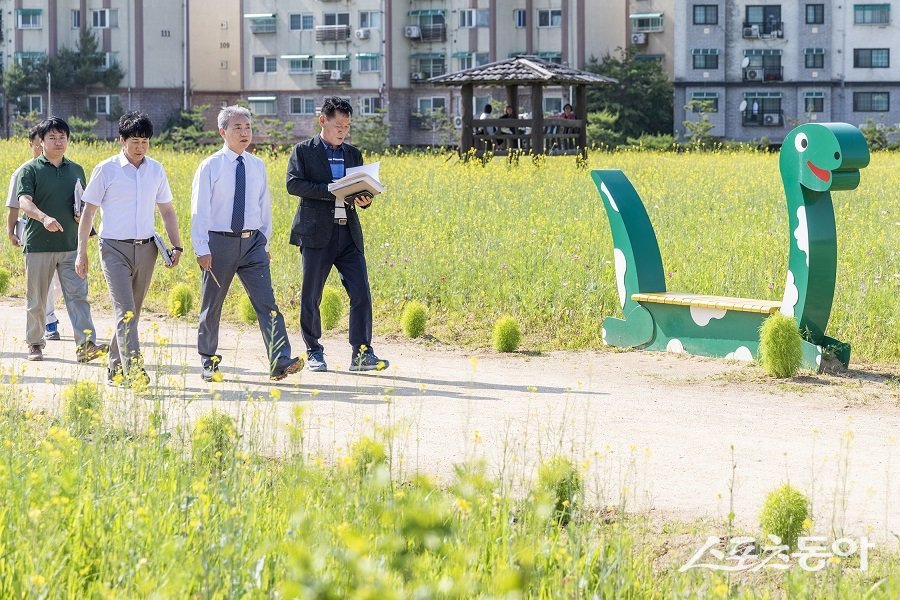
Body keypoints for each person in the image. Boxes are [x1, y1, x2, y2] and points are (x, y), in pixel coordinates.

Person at [190, 105, 302, 382]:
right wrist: (201, 248)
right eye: (237, 128)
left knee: (267, 303)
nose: (244, 133)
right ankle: (208, 359)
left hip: (253, 243)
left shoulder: (256, 165)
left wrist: (264, 241)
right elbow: (199, 209)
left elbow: (264, 205)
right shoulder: (210, 166)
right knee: (212, 304)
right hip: (219, 244)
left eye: (248, 127)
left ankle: (279, 359)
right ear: (222, 132)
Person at [75, 112, 184, 386]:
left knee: (132, 313)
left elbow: (168, 211)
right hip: (113, 249)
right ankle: (135, 370)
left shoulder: (156, 169)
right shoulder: (106, 169)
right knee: (125, 311)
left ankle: (114, 367)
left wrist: (177, 245)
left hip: (148, 250)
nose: (140, 147)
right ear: (122, 140)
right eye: (135, 141)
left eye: (145, 141)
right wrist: (81, 251)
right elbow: (88, 212)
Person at [286, 96, 389, 373]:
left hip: (348, 234)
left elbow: (359, 189)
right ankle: (314, 350)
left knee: (361, 293)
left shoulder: (353, 154)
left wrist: (366, 199)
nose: (343, 131)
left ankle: (361, 352)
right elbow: (294, 184)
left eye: (347, 126)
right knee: (311, 296)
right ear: (323, 120)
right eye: (338, 125)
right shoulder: (303, 151)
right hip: (316, 234)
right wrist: (330, 189)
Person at [16, 116, 107, 363]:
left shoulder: (76, 169)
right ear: (41, 142)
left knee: (78, 297)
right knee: (37, 298)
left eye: (62, 137)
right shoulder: (30, 169)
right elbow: (24, 201)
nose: (58, 142)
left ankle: (86, 345)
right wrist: (44, 218)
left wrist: (83, 221)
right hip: (38, 247)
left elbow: (85, 204)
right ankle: (35, 343)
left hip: (70, 245)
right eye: (52, 138)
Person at [6, 126, 64, 341]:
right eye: (39, 143)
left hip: (58, 231)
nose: (43, 147)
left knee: (59, 283)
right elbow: (14, 205)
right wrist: (10, 231)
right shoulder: (23, 171)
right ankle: (49, 320)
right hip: (32, 231)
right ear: (32, 145)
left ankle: (46, 311)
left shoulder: (62, 168)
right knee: (43, 281)